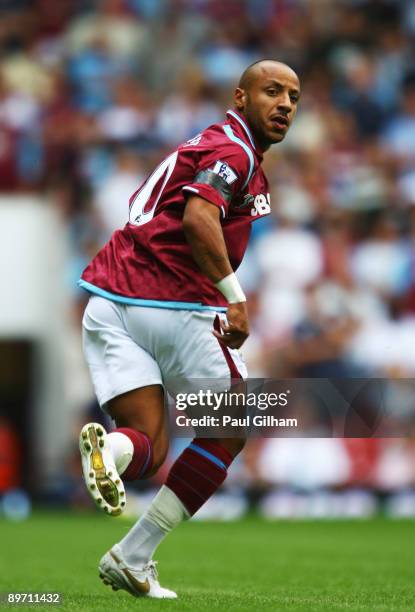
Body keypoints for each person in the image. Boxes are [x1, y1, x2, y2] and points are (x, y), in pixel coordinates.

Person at [79, 59, 300, 599]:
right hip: (173, 302)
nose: (285, 105)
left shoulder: (211, 142)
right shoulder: (235, 151)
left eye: (294, 97)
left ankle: (112, 455)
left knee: (148, 450)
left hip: (109, 304)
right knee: (230, 426)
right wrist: (237, 300)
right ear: (241, 97)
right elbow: (199, 216)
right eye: (272, 91)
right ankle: (135, 550)